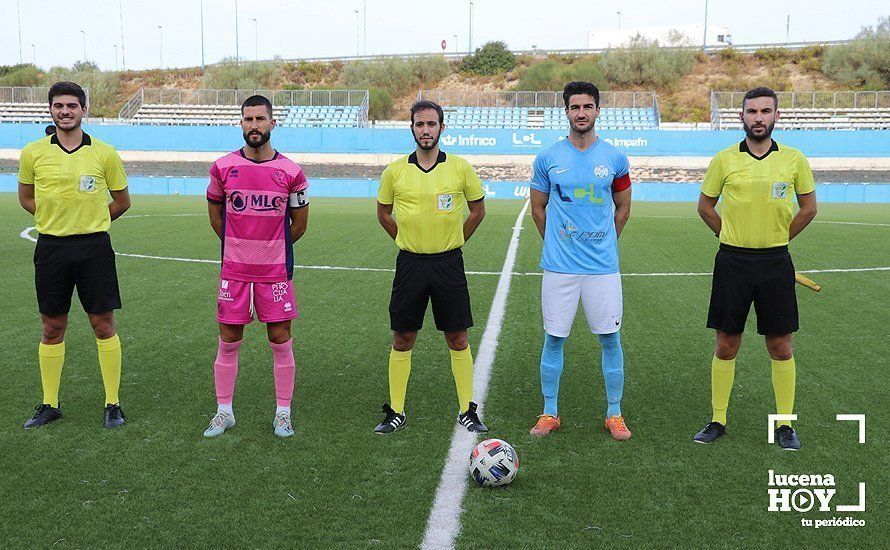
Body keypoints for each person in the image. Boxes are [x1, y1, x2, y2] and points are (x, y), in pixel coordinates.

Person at [693, 87, 817, 450]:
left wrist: (781, 238)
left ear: (776, 115)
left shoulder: (794, 159)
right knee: (726, 342)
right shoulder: (724, 159)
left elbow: (808, 209)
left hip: (776, 262)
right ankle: (718, 419)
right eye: (752, 112)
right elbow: (705, 207)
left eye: (765, 111)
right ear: (742, 117)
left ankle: (785, 426)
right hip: (732, 261)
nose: (758, 118)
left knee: (780, 345)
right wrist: (728, 234)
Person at [18, 81, 131, 429]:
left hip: (94, 248)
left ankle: (112, 403)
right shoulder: (33, 153)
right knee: (52, 326)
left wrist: (91, 221)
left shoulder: (105, 152)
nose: (65, 111)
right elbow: (25, 198)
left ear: (84, 110)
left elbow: (123, 201)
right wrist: (55, 220)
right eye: (58, 106)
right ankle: (50, 403)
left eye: (71, 105)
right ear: (50, 110)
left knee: (102, 324)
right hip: (51, 248)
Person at [373, 100, 488, 434]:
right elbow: (383, 213)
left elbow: (478, 210)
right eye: (420, 124)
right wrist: (404, 238)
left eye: (431, 124)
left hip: (448, 263)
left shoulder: (460, 168)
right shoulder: (395, 171)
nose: (426, 130)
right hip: (410, 264)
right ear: (411, 127)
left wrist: (456, 239)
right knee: (403, 337)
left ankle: (468, 410)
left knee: (457, 336)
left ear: (441, 128)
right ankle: (396, 410)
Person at [527, 81, 633, 440]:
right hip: (559, 267)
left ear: (598, 110)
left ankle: (614, 414)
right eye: (575, 107)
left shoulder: (615, 158)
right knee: (553, 339)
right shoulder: (548, 158)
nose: (581, 113)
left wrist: (602, 243)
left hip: (602, 267)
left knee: (610, 339)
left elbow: (623, 208)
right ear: (567, 112)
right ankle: (550, 412)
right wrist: (559, 245)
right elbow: (538, 208)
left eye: (588, 106)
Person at [203, 95, 309, 438]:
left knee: (280, 339)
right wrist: (240, 248)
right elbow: (216, 218)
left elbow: (300, 224)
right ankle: (224, 412)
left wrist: (268, 250)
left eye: (260, 119)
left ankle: (282, 413)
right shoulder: (222, 167)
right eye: (248, 119)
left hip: (275, 272)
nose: (254, 125)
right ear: (241, 123)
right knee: (228, 339)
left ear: (272, 123)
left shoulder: (292, 172)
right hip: (234, 272)